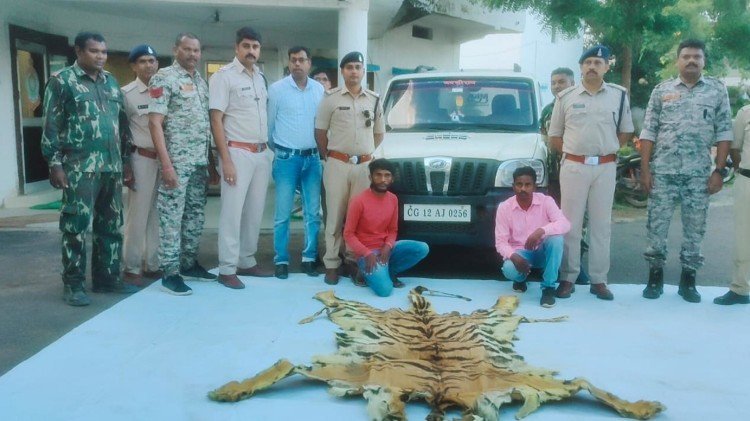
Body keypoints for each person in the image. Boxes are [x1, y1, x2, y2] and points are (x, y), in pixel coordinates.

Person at [41, 32, 138, 306]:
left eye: (104, 52)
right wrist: (54, 164)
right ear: (79, 51)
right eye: (94, 51)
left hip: (111, 167)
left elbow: (122, 124)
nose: (100, 56)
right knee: (75, 227)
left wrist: (126, 161)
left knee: (111, 227)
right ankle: (73, 284)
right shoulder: (62, 82)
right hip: (79, 168)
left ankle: (107, 278)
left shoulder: (111, 82)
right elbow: (51, 126)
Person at [639, 39, 733, 303]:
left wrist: (719, 171)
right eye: (686, 56)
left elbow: (724, 132)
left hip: (698, 174)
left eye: (697, 57)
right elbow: (649, 131)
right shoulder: (661, 90)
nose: (691, 60)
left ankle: (688, 281)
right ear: (678, 60)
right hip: (663, 172)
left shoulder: (716, 90)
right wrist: (645, 170)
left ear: (703, 61)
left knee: (695, 228)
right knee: (656, 227)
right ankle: (654, 277)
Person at [548, 45, 634, 301]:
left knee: (601, 226)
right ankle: (568, 277)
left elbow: (626, 131)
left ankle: (599, 280)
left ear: (606, 67)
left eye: (598, 62)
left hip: (605, 167)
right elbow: (555, 136)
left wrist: (606, 150)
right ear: (581, 67)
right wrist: (576, 154)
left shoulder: (619, 95)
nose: (592, 67)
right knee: (570, 224)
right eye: (588, 63)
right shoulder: (566, 97)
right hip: (574, 167)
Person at [149, 33, 220, 296]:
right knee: (171, 217)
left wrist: (210, 162)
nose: (192, 54)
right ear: (175, 49)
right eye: (187, 49)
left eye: (196, 50)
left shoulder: (201, 82)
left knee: (195, 216)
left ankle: (188, 264)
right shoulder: (164, 78)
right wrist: (166, 165)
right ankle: (170, 272)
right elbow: (154, 123)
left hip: (199, 161)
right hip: (176, 162)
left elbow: (204, 125)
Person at [209, 27, 274, 289]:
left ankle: (246, 260)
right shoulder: (223, 77)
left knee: (254, 212)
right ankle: (227, 268)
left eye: (255, 46)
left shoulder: (260, 77)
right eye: (246, 46)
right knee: (232, 213)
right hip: (236, 152)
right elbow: (216, 119)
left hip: (261, 153)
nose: (251, 51)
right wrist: (225, 160)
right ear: (237, 48)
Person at [315, 51, 385, 285]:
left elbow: (379, 133)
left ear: (363, 71)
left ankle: (354, 261)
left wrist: (364, 153)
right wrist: (330, 156)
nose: (353, 71)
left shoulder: (374, 99)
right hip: (337, 165)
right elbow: (320, 132)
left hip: (363, 167)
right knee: (334, 216)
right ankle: (332, 264)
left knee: (359, 218)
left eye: (357, 67)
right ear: (342, 71)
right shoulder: (330, 98)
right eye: (349, 67)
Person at [268, 46, 325, 279]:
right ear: (289, 63)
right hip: (286, 159)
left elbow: (322, 124)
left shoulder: (319, 90)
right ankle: (281, 260)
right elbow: (269, 127)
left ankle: (309, 258)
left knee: (313, 213)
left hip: (312, 159)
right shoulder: (277, 90)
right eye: (293, 60)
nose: (297, 64)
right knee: (282, 213)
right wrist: (283, 150)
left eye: (302, 60)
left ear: (309, 63)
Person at [344, 159, 429, 296]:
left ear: (392, 178)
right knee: (385, 290)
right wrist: (366, 253)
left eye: (387, 175)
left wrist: (388, 245)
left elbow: (393, 230)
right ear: (370, 177)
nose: (383, 179)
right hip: (367, 254)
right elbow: (348, 234)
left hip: (386, 250)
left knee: (422, 248)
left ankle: (389, 271)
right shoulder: (358, 201)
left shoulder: (393, 199)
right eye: (378, 175)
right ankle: (361, 272)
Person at [495, 167, 570, 307]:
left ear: (534, 187)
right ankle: (520, 278)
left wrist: (541, 231)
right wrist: (514, 257)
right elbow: (500, 242)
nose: (523, 189)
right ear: (513, 186)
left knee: (556, 239)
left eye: (527, 185)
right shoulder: (504, 207)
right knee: (509, 269)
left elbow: (565, 224)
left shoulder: (546, 201)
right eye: (519, 184)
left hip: (542, 251)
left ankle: (548, 288)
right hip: (521, 254)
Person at [122, 44, 161, 287]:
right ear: (134, 66)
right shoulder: (126, 94)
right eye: (143, 61)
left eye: (152, 60)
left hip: (163, 160)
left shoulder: (163, 90)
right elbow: (121, 132)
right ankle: (132, 266)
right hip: (141, 159)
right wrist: (126, 165)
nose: (149, 65)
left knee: (157, 214)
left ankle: (153, 263)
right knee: (137, 215)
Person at [714, 104, 750, 305]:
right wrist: (740, 171)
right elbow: (735, 148)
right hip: (747, 181)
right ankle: (740, 289)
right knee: (743, 238)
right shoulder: (745, 113)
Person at [540, 67, 575, 205]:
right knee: (555, 208)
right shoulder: (547, 111)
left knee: (575, 208)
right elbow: (544, 139)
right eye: (553, 83)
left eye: (561, 82)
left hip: (576, 169)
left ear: (572, 83)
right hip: (554, 171)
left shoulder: (580, 107)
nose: (556, 86)